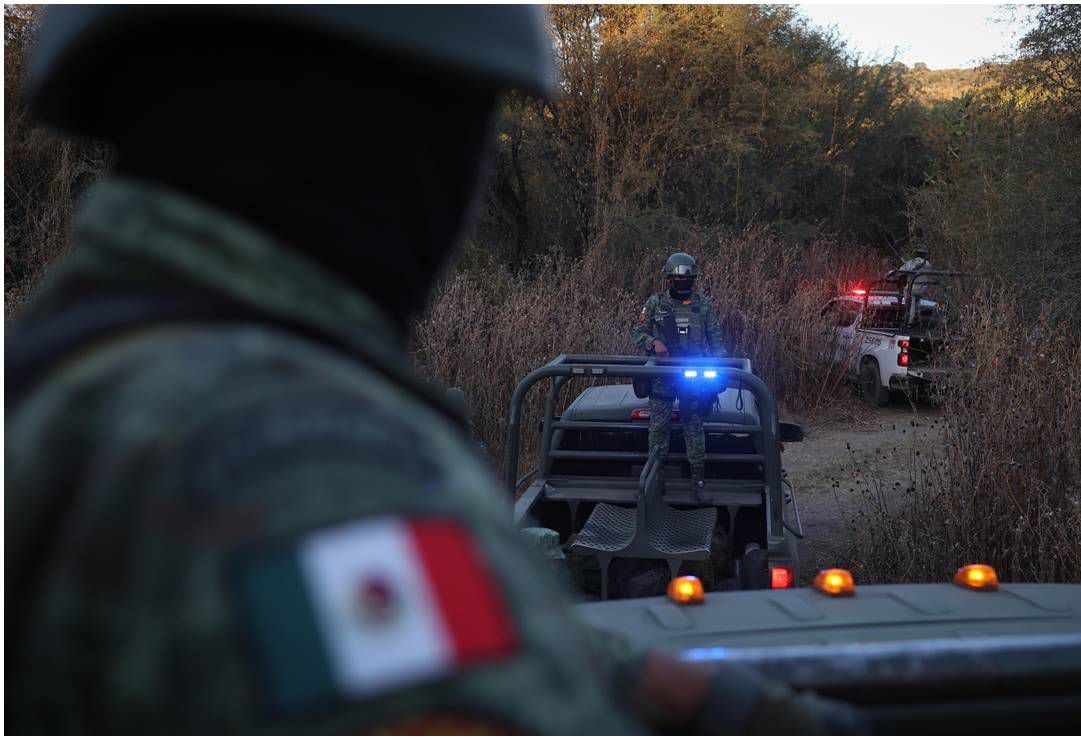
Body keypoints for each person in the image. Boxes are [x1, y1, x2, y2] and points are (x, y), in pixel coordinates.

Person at [6, 7, 862, 734]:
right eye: (473, 125)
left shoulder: (68, 370)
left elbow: (413, 648)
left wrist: (717, 700)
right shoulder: (298, 452)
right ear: (402, 131)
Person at [632, 252, 726, 503]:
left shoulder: (703, 305)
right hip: (662, 375)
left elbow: (716, 340)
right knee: (658, 429)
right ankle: (656, 479)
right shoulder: (655, 303)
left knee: (693, 426)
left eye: (687, 278)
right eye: (677, 278)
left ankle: (698, 481)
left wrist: (723, 370)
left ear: (693, 278)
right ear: (669, 278)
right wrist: (654, 341)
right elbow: (638, 331)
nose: (682, 282)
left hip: (693, 376)